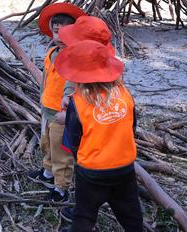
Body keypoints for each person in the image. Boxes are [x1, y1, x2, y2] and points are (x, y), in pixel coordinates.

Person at [57, 40, 143, 232]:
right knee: (131, 213)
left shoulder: (78, 103)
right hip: (124, 168)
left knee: (84, 214)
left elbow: (73, 138)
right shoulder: (124, 94)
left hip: (92, 172)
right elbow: (132, 126)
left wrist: (81, 158)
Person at [27, 2, 86, 203]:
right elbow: (45, 81)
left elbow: (74, 86)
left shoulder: (75, 57)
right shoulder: (51, 54)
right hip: (47, 110)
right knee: (47, 144)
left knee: (62, 151)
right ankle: (48, 172)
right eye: (55, 32)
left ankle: (61, 188)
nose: (59, 37)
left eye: (65, 33)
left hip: (63, 114)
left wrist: (68, 109)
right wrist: (42, 102)